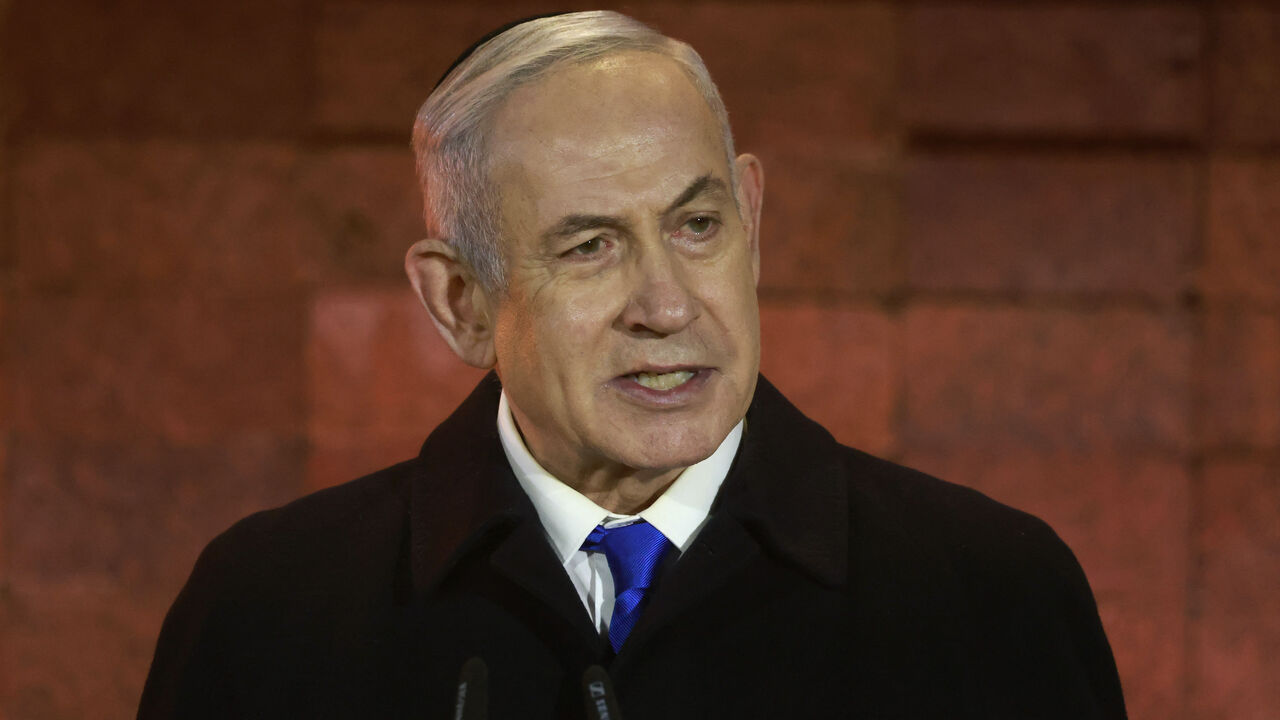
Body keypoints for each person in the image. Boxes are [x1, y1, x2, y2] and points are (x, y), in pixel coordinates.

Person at [138, 11, 1127, 719]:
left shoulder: (993, 595)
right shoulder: (266, 610)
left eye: (696, 226)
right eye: (588, 248)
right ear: (458, 301)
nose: (666, 305)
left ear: (751, 219)